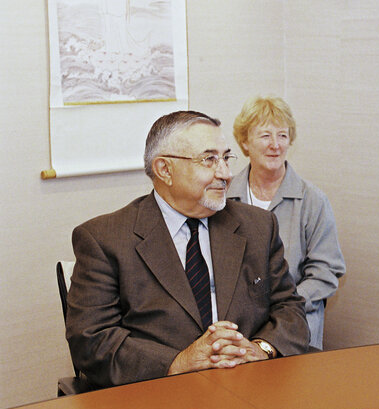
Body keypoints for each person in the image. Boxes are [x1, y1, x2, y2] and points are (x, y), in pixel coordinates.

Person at [66, 110, 309, 388]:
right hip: (158, 395)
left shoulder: (257, 226)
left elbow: (289, 308)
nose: (226, 174)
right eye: (209, 160)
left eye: (226, 158)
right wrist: (179, 362)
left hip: (250, 385)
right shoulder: (105, 239)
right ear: (164, 170)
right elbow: (91, 340)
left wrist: (260, 349)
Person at [229, 96, 345, 350]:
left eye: (282, 135)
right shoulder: (225, 198)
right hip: (236, 326)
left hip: (295, 322)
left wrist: (286, 306)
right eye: (265, 136)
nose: (275, 145)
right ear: (245, 143)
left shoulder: (312, 200)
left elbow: (326, 272)